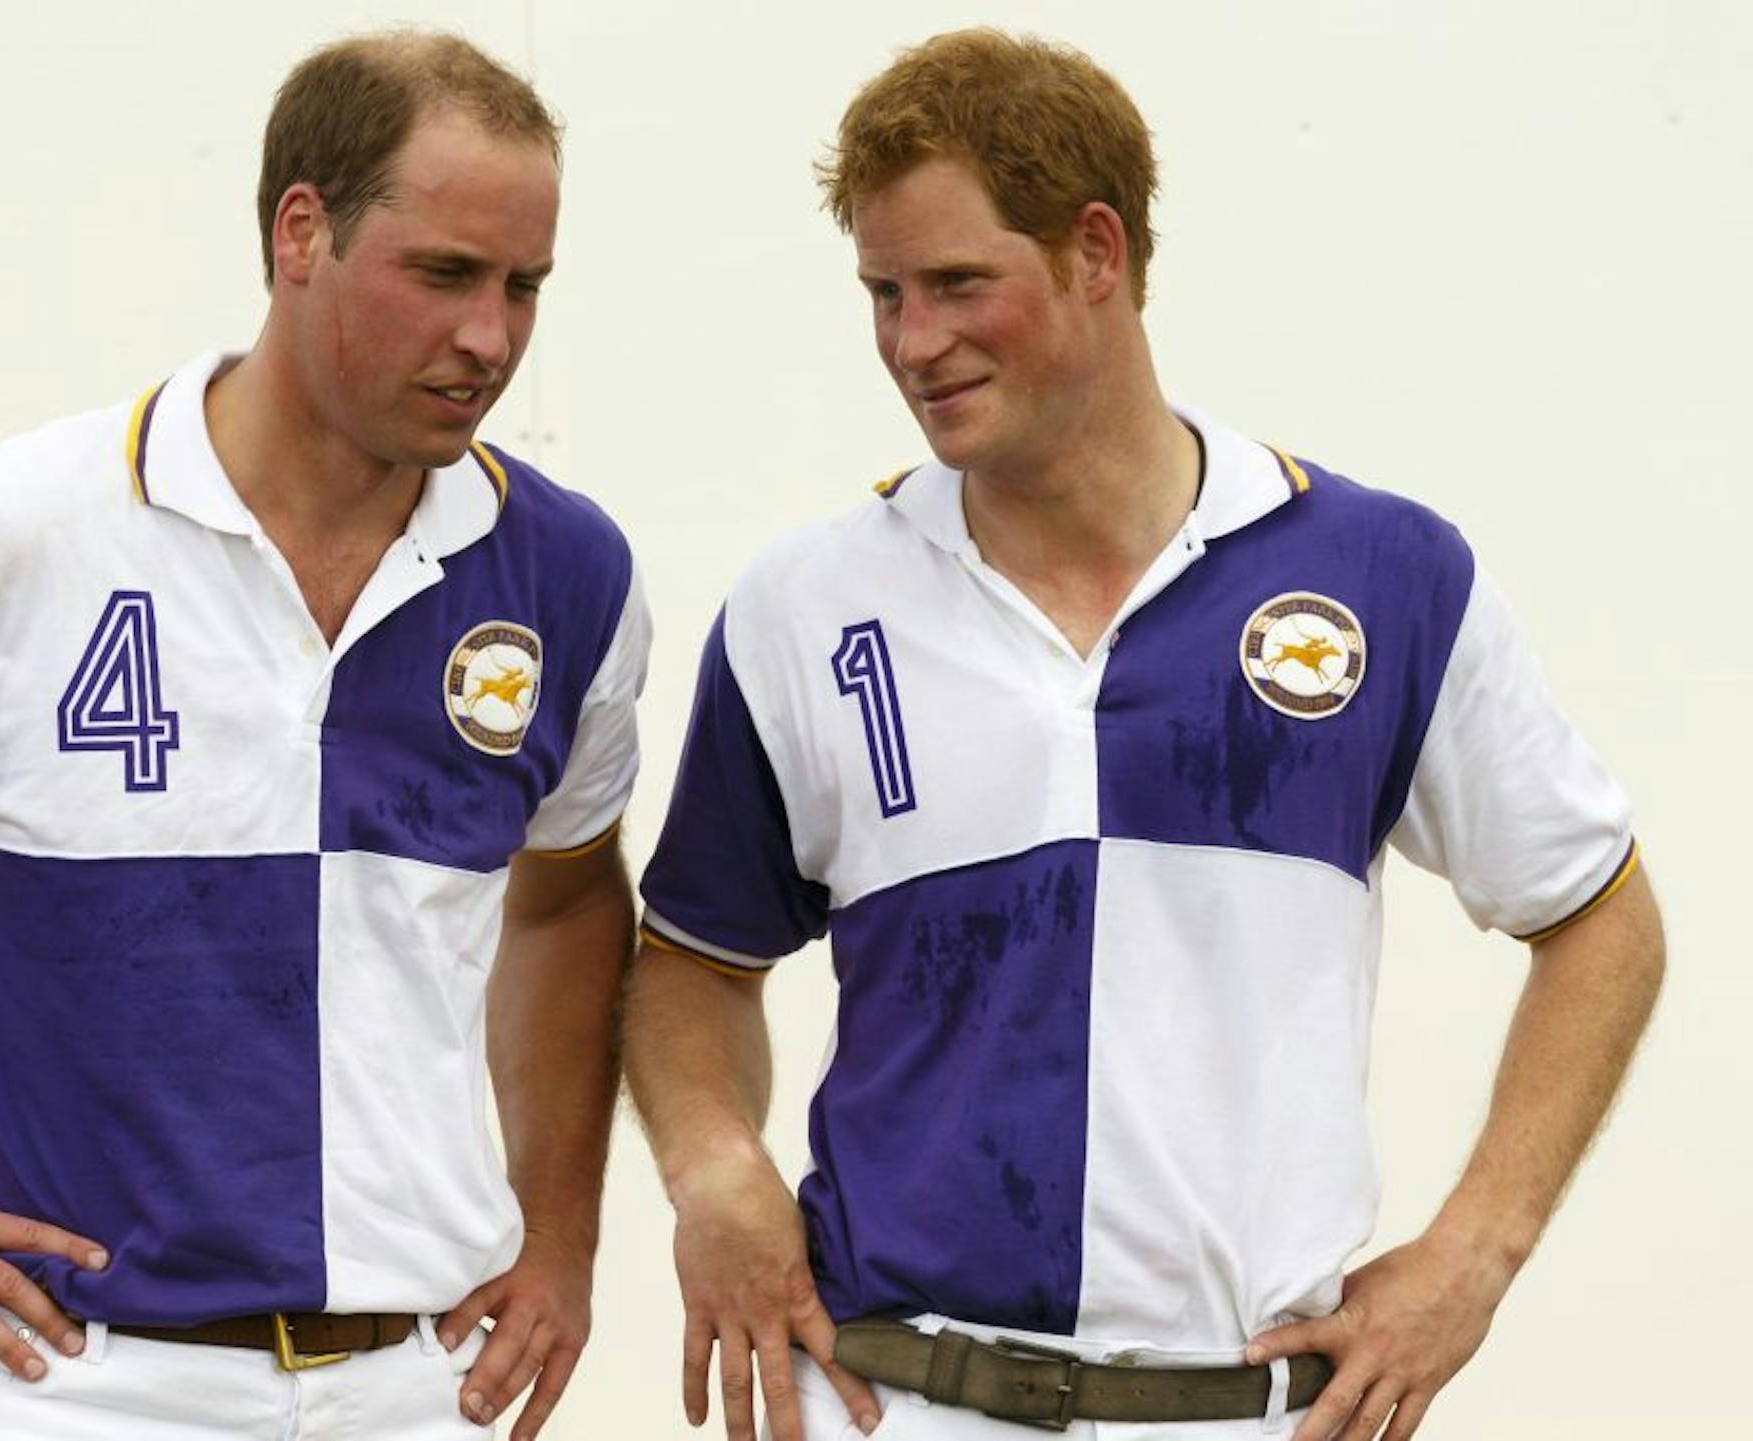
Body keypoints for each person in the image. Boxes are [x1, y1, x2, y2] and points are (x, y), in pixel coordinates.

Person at [0, 29, 646, 1441]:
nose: (491, 338)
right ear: (300, 232)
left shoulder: (567, 573)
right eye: (446, 273)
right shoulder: (6, 533)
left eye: (527, 287)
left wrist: (563, 1241)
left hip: (424, 1385)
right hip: (73, 1384)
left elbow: (571, 895)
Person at [623, 28, 1662, 1441]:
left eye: (955, 285)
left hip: (1249, 1408)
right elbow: (693, 957)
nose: (912, 344)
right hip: (895, 1398)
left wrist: (1474, 1254)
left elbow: (1600, 915)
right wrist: (707, 1162)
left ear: (1095, 253)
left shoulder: (1383, 574)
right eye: (882, 294)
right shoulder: (805, 606)